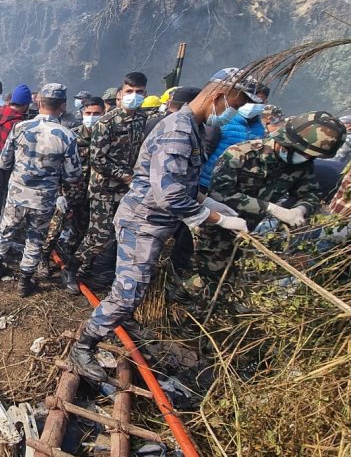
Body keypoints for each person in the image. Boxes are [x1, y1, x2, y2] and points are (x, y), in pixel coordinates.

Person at [70, 68, 259, 381]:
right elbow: (170, 195)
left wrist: (216, 206)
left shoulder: (193, 128)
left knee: (131, 286)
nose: (233, 114)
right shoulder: (178, 133)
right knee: (129, 291)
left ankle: (124, 320)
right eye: (234, 107)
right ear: (218, 97)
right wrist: (219, 219)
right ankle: (84, 344)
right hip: (142, 222)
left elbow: (186, 186)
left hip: (153, 223)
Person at [184, 112, 347, 298]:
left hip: (250, 233)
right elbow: (220, 194)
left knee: (231, 282)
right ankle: (186, 308)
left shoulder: (301, 166)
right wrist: (271, 208)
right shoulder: (242, 154)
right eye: (303, 153)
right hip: (216, 228)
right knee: (210, 279)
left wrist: (301, 209)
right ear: (287, 142)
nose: (305, 158)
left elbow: (310, 193)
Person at [0, 84, 82, 297]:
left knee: (6, 229)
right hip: (44, 199)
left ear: (38, 103)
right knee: (35, 238)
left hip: (17, 194)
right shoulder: (67, 136)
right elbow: (73, 176)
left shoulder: (20, 128)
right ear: (62, 106)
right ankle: (24, 282)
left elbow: (3, 162)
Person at [67, 72, 149, 291]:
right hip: (103, 189)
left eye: (139, 92)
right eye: (130, 92)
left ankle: (96, 272)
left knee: (119, 234)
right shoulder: (107, 122)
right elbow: (98, 160)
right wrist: (127, 176)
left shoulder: (142, 120)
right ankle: (72, 269)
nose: (134, 96)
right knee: (99, 235)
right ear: (121, 94)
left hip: (127, 190)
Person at [39, 96, 105, 280]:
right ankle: (43, 258)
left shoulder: (107, 137)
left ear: (104, 113)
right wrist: (59, 193)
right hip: (69, 191)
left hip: (93, 194)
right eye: (88, 113)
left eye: (97, 113)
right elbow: (57, 165)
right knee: (54, 229)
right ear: (82, 113)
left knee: (81, 229)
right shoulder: (71, 135)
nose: (92, 117)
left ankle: (71, 256)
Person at [199, 85, 270, 192]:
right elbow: (205, 149)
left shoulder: (260, 130)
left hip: (228, 187)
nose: (253, 105)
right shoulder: (223, 120)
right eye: (250, 100)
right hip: (204, 181)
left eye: (259, 102)